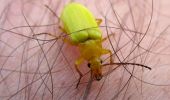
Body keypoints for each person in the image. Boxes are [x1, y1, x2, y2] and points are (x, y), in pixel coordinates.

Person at [0, 0, 170, 100]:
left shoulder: (88, 42)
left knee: (69, 35)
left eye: (93, 65)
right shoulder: (83, 41)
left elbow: (104, 53)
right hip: (76, 18)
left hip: (77, 20)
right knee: (67, 35)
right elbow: (104, 53)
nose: (97, 67)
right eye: (94, 65)